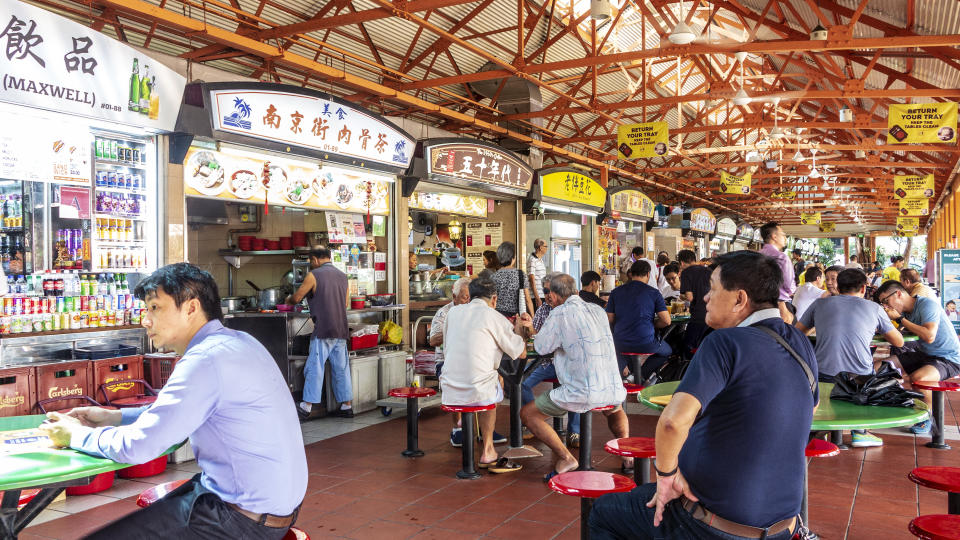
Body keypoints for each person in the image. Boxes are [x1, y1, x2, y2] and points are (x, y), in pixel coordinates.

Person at [39, 263, 307, 539]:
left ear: (191, 308)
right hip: (264, 508)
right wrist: (114, 417)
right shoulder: (239, 342)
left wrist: (75, 436)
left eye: (155, 308)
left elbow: (139, 447)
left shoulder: (205, 360)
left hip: (240, 519)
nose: (145, 320)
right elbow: (174, 413)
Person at [589, 251, 815, 540]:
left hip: (710, 525)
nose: (706, 297)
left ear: (739, 299)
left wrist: (667, 476)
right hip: (783, 526)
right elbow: (806, 407)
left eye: (713, 289)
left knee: (605, 513)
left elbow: (673, 422)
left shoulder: (724, 342)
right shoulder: (798, 340)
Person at [520, 273, 628, 478]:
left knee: (528, 414)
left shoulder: (559, 314)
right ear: (576, 291)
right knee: (615, 409)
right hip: (611, 385)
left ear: (552, 295)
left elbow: (542, 347)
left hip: (581, 391)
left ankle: (566, 457)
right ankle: (627, 456)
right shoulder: (597, 309)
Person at [796, 269, 903, 448]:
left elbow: (799, 332)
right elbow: (898, 342)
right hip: (859, 379)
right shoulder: (874, 308)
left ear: (838, 286)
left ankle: (819, 432)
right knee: (874, 370)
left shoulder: (819, 304)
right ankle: (860, 431)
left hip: (823, 374)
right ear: (863, 288)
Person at [440, 271, 527, 473]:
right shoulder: (495, 317)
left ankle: (475, 443)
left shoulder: (452, 313)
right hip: (478, 389)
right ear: (494, 299)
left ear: (469, 296)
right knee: (494, 380)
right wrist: (519, 328)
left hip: (449, 387)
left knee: (484, 377)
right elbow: (521, 352)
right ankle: (488, 450)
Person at [430, 277, 507, 447]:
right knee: (457, 374)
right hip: (446, 361)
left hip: (474, 360)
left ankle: (486, 429)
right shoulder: (445, 313)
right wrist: (459, 330)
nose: (469, 301)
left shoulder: (480, 312)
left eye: (471, 297)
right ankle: (458, 429)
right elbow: (433, 340)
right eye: (465, 297)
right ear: (454, 296)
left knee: (496, 378)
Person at [877, 280, 960, 434]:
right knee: (877, 367)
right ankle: (892, 404)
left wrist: (900, 320)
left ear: (899, 294)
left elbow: (929, 336)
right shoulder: (906, 312)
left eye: (886, 301)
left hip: (948, 358)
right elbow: (901, 336)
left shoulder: (927, 305)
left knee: (919, 379)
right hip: (924, 354)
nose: (886, 306)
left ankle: (927, 417)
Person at [287, 247, 353, 420]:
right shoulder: (342, 276)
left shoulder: (313, 275)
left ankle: (306, 407)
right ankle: (347, 406)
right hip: (341, 328)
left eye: (311, 261)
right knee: (341, 369)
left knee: (315, 367)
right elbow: (346, 303)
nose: (311, 264)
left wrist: (288, 299)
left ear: (315, 259)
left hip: (323, 328)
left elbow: (296, 298)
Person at [521, 273, 581, 448]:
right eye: (545, 290)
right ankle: (535, 421)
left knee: (575, 388)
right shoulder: (543, 310)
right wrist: (528, 327)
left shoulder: (573, 311)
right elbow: (536, 337)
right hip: (547, 362)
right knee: (522, 383)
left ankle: (574, 431)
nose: (548, 295)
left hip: (568, 362)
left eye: (551, 290)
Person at [606, 260, 671, 381]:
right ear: (648, 274)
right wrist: (655, 324)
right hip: (646, 343)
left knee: (620, 350)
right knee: (667, 351)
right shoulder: (654, 293)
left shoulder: (615, 292)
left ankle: (628, 372)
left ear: (630, 274)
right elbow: (667, 321)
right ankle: (640, 374)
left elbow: (609, 319)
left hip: (620, 343)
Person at [759, 221, 796, 323]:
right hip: (780, 305)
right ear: (774, 237)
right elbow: (789, 285)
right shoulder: (782, 257)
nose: (785, 238)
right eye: (783, 235)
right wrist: (792, 292)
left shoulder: (757, 256)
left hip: (759, 304)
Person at [678, 249, 712, 356]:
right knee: (704, 346)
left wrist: (681, 296)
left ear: (682, 262)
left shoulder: (686, 273)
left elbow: (689, 297)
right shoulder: (708, 271)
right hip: (711, 314)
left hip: (698, 316)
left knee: (688, 348)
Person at [492, 241, 534, 317]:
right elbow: (527, 300)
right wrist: (533, 317)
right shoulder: (520, 274)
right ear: (513, 258)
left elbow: (491, 299)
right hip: (516, 318)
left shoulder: (494, 276)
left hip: (498, 317)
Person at [528, 238, 548, 309]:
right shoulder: (532, 260)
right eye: (546, 246)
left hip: (542, 295)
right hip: (536, 297)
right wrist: (537, 298)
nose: (547, 248)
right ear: (540, 247)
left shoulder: (540, 260)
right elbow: (531, 279)